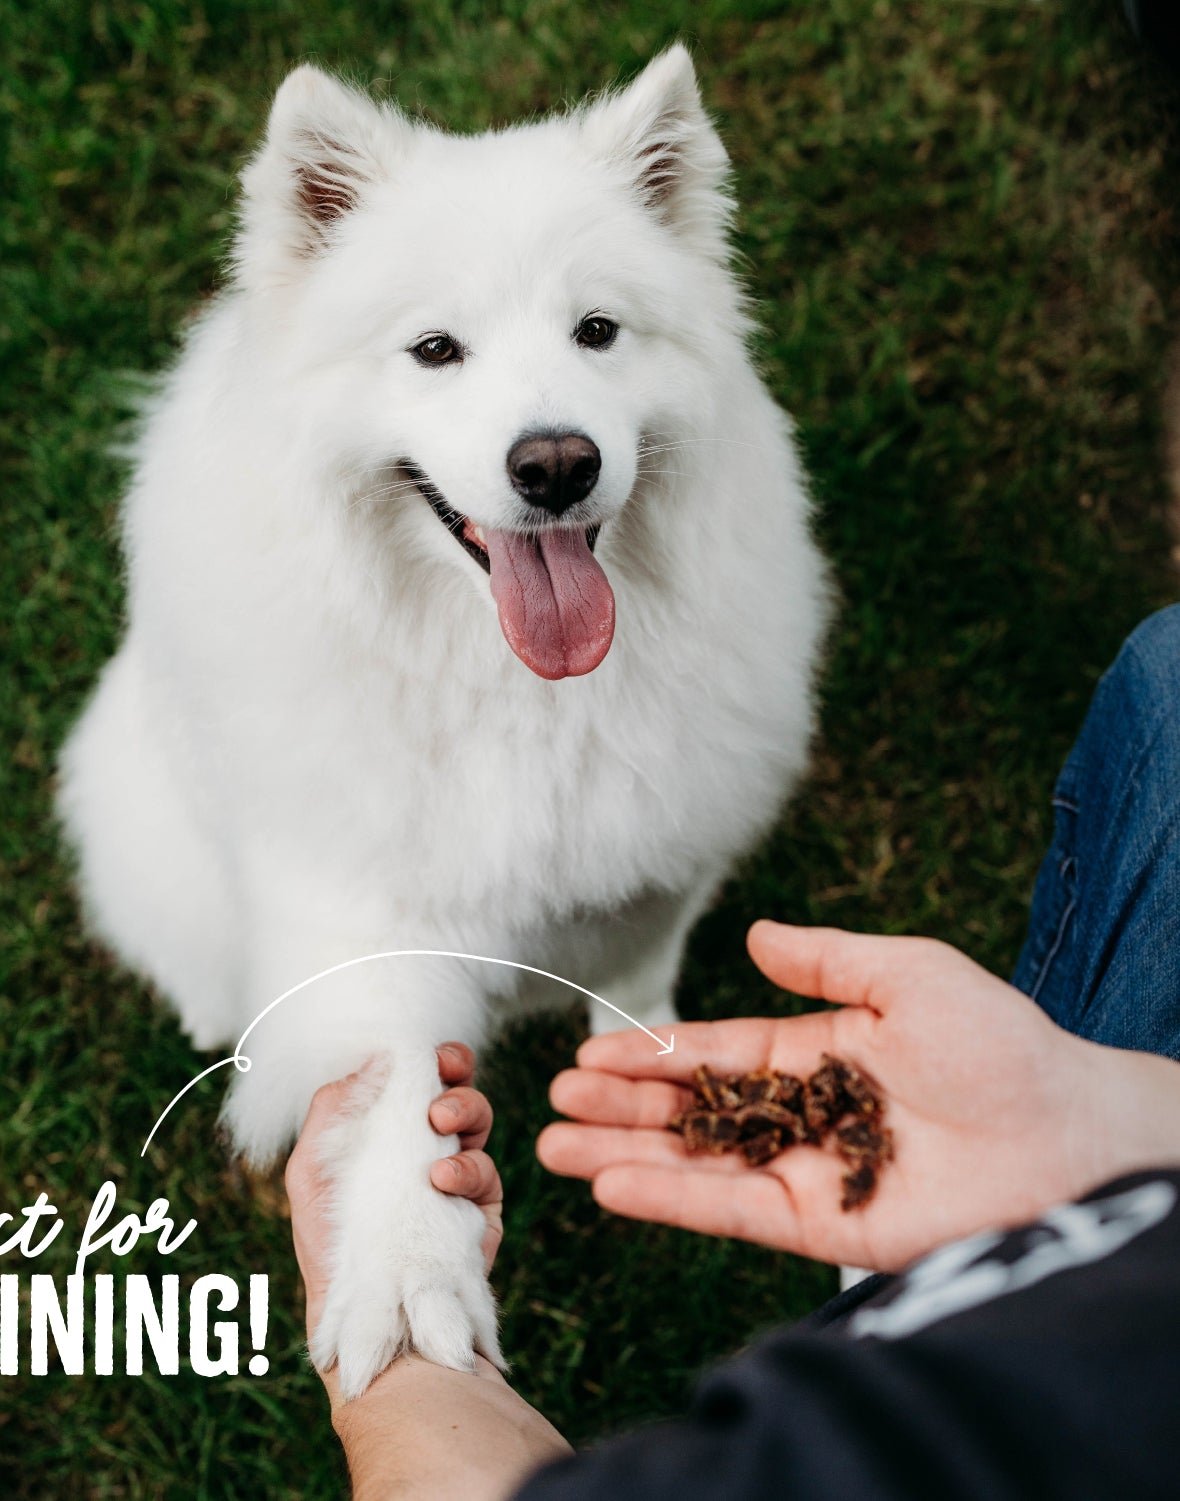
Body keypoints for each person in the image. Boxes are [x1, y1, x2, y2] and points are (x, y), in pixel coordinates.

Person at [285, 605, 1180, 1500]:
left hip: (1016, 1366)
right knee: (1168, 676)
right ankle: (986, 1246)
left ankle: (927, 1289)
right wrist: (1118, 1127)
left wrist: (398, 1362)